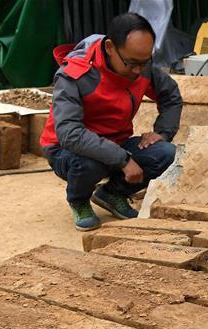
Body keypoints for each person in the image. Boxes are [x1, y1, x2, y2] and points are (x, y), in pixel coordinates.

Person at [40, 12, 182, 230]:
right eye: (131, 63)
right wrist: (123, 160)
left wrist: (162, 133)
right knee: (90, 163)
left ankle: (112, 193)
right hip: (67, 149)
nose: (138, 70)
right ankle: (79, 201)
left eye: (144, 62)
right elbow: (70, 134)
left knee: (166, 153)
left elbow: (170, 95)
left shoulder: (140, 65)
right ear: (109, 48)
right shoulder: (74, 74)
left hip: (117, 142)